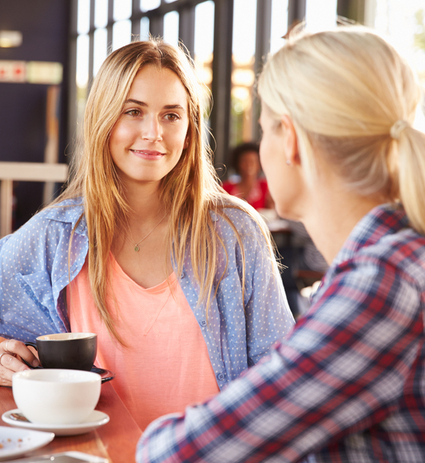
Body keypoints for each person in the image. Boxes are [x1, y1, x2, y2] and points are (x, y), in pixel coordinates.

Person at [136, 26, 425, 462]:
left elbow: (182, 453)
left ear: (290, 140)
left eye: (267, 129)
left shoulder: (385, 284)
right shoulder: (404, 259)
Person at [0, 39, 294, 430]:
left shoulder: (235, 233)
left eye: (171, 115)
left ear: (190, 130)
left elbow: (282, 373)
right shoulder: (56, 236)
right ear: (104, 120)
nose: (153, 132)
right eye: (133, 111)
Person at [222, 142, 273, 210]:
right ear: (237, 163)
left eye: (253, 161)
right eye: (245, 161)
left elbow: (271, 213)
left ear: (259, 164)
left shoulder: (265, 187)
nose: (249, 165)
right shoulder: (226, 188)